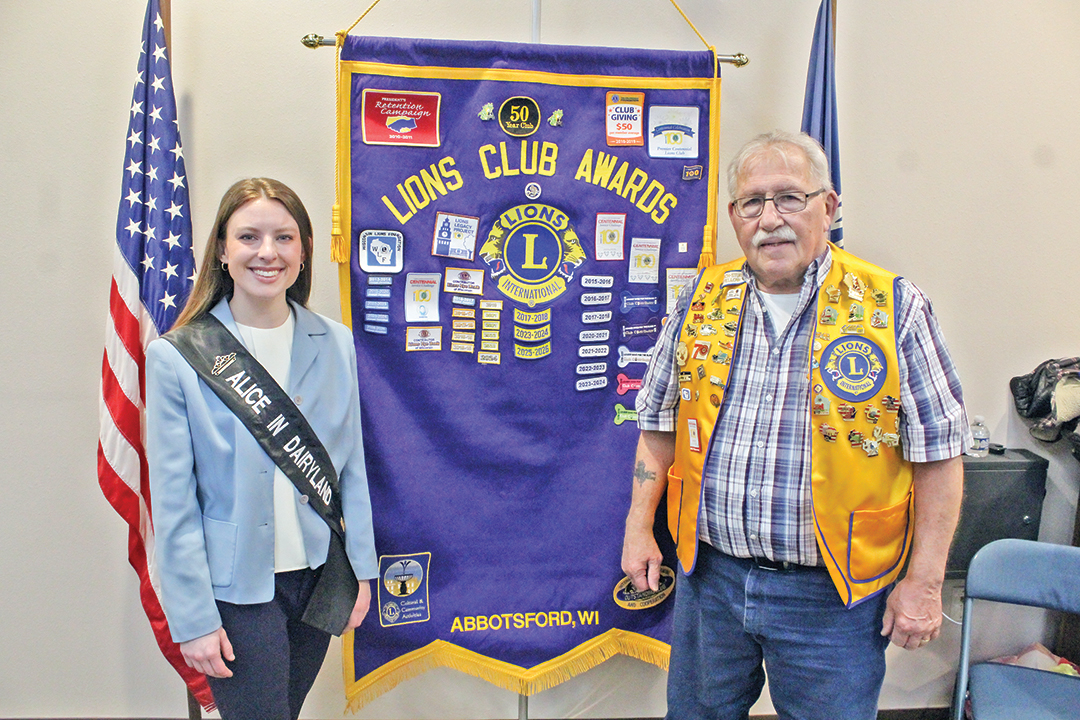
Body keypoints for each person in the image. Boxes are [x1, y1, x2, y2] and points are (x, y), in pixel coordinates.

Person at [621, 132, 968, 720]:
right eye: (753, 202)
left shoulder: (892, 307)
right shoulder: (698, 302)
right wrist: (637, 527)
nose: (770, 219)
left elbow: (940, 454)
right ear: (733, 216)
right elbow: (657, 426)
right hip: (711, 581)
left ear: (829, 207)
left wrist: (926, 583)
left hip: (833, 598)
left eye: (790, 198)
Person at [146, 178, 378, 719]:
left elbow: (353, 471)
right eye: (249, 236)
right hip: (235, 589)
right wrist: (193, 618)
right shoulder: (178, 356)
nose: (267, 252)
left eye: (285, 237)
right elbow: (173, 504)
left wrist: (362, 572)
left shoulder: (335, 341)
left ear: (303, 252)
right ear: (223, 252)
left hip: (320, 578)